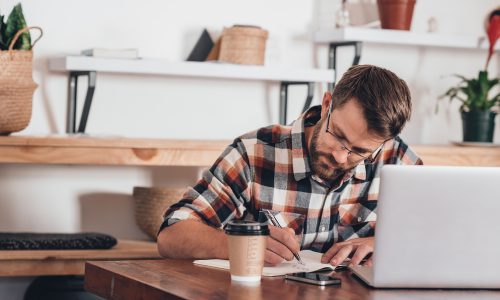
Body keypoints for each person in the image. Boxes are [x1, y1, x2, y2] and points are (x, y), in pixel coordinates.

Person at [157, 64, 423, 267]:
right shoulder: (255, 153)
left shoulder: (397, 161)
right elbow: (171, 235)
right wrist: (241, 246)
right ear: (327, 104)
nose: (342, 157)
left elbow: (438, 238)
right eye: (338, 136)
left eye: (360, 151)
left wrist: (384, 245)